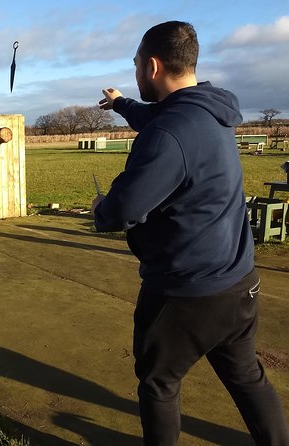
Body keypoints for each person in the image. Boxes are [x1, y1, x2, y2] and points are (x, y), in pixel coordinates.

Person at [93, 20, 289, 446]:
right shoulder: (209, 110)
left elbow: (122, 210)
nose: (135, 71)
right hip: (239, 283)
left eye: (136, 64)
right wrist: (122, 103)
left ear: (153, 66)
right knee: (247, 377)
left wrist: (100, 209)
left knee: (158, 383)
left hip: (186, 293)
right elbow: (155, 116)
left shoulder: (168, 133)